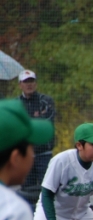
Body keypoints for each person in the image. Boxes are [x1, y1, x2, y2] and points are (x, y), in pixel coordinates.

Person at [17, 70, 56, 206]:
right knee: (26, 191)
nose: (29, 85)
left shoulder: (46, 101)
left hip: (43, 154)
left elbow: (46, 125)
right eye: (26, 82)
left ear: (36, 83)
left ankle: (47, 215)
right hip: (25, 155)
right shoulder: (16, 104)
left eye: (31, 81)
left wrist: (25, 124)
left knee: (47, 188)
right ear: (20, 85)